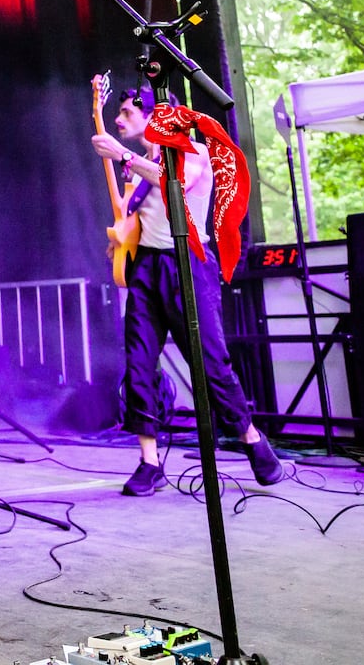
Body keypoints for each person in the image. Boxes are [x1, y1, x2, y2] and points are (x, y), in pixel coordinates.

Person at [91, 85, 284, 496]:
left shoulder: (191, 153)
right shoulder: (142, 163)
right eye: (119, 113)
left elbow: (173, 183)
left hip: (189, 265)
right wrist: (120, 238)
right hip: (147, 267)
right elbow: (139, 217)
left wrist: (121, 153)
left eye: (126, 112)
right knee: (138, 362)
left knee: (211, 364)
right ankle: (149, 461)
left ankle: (250, 438)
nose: (120, 120)